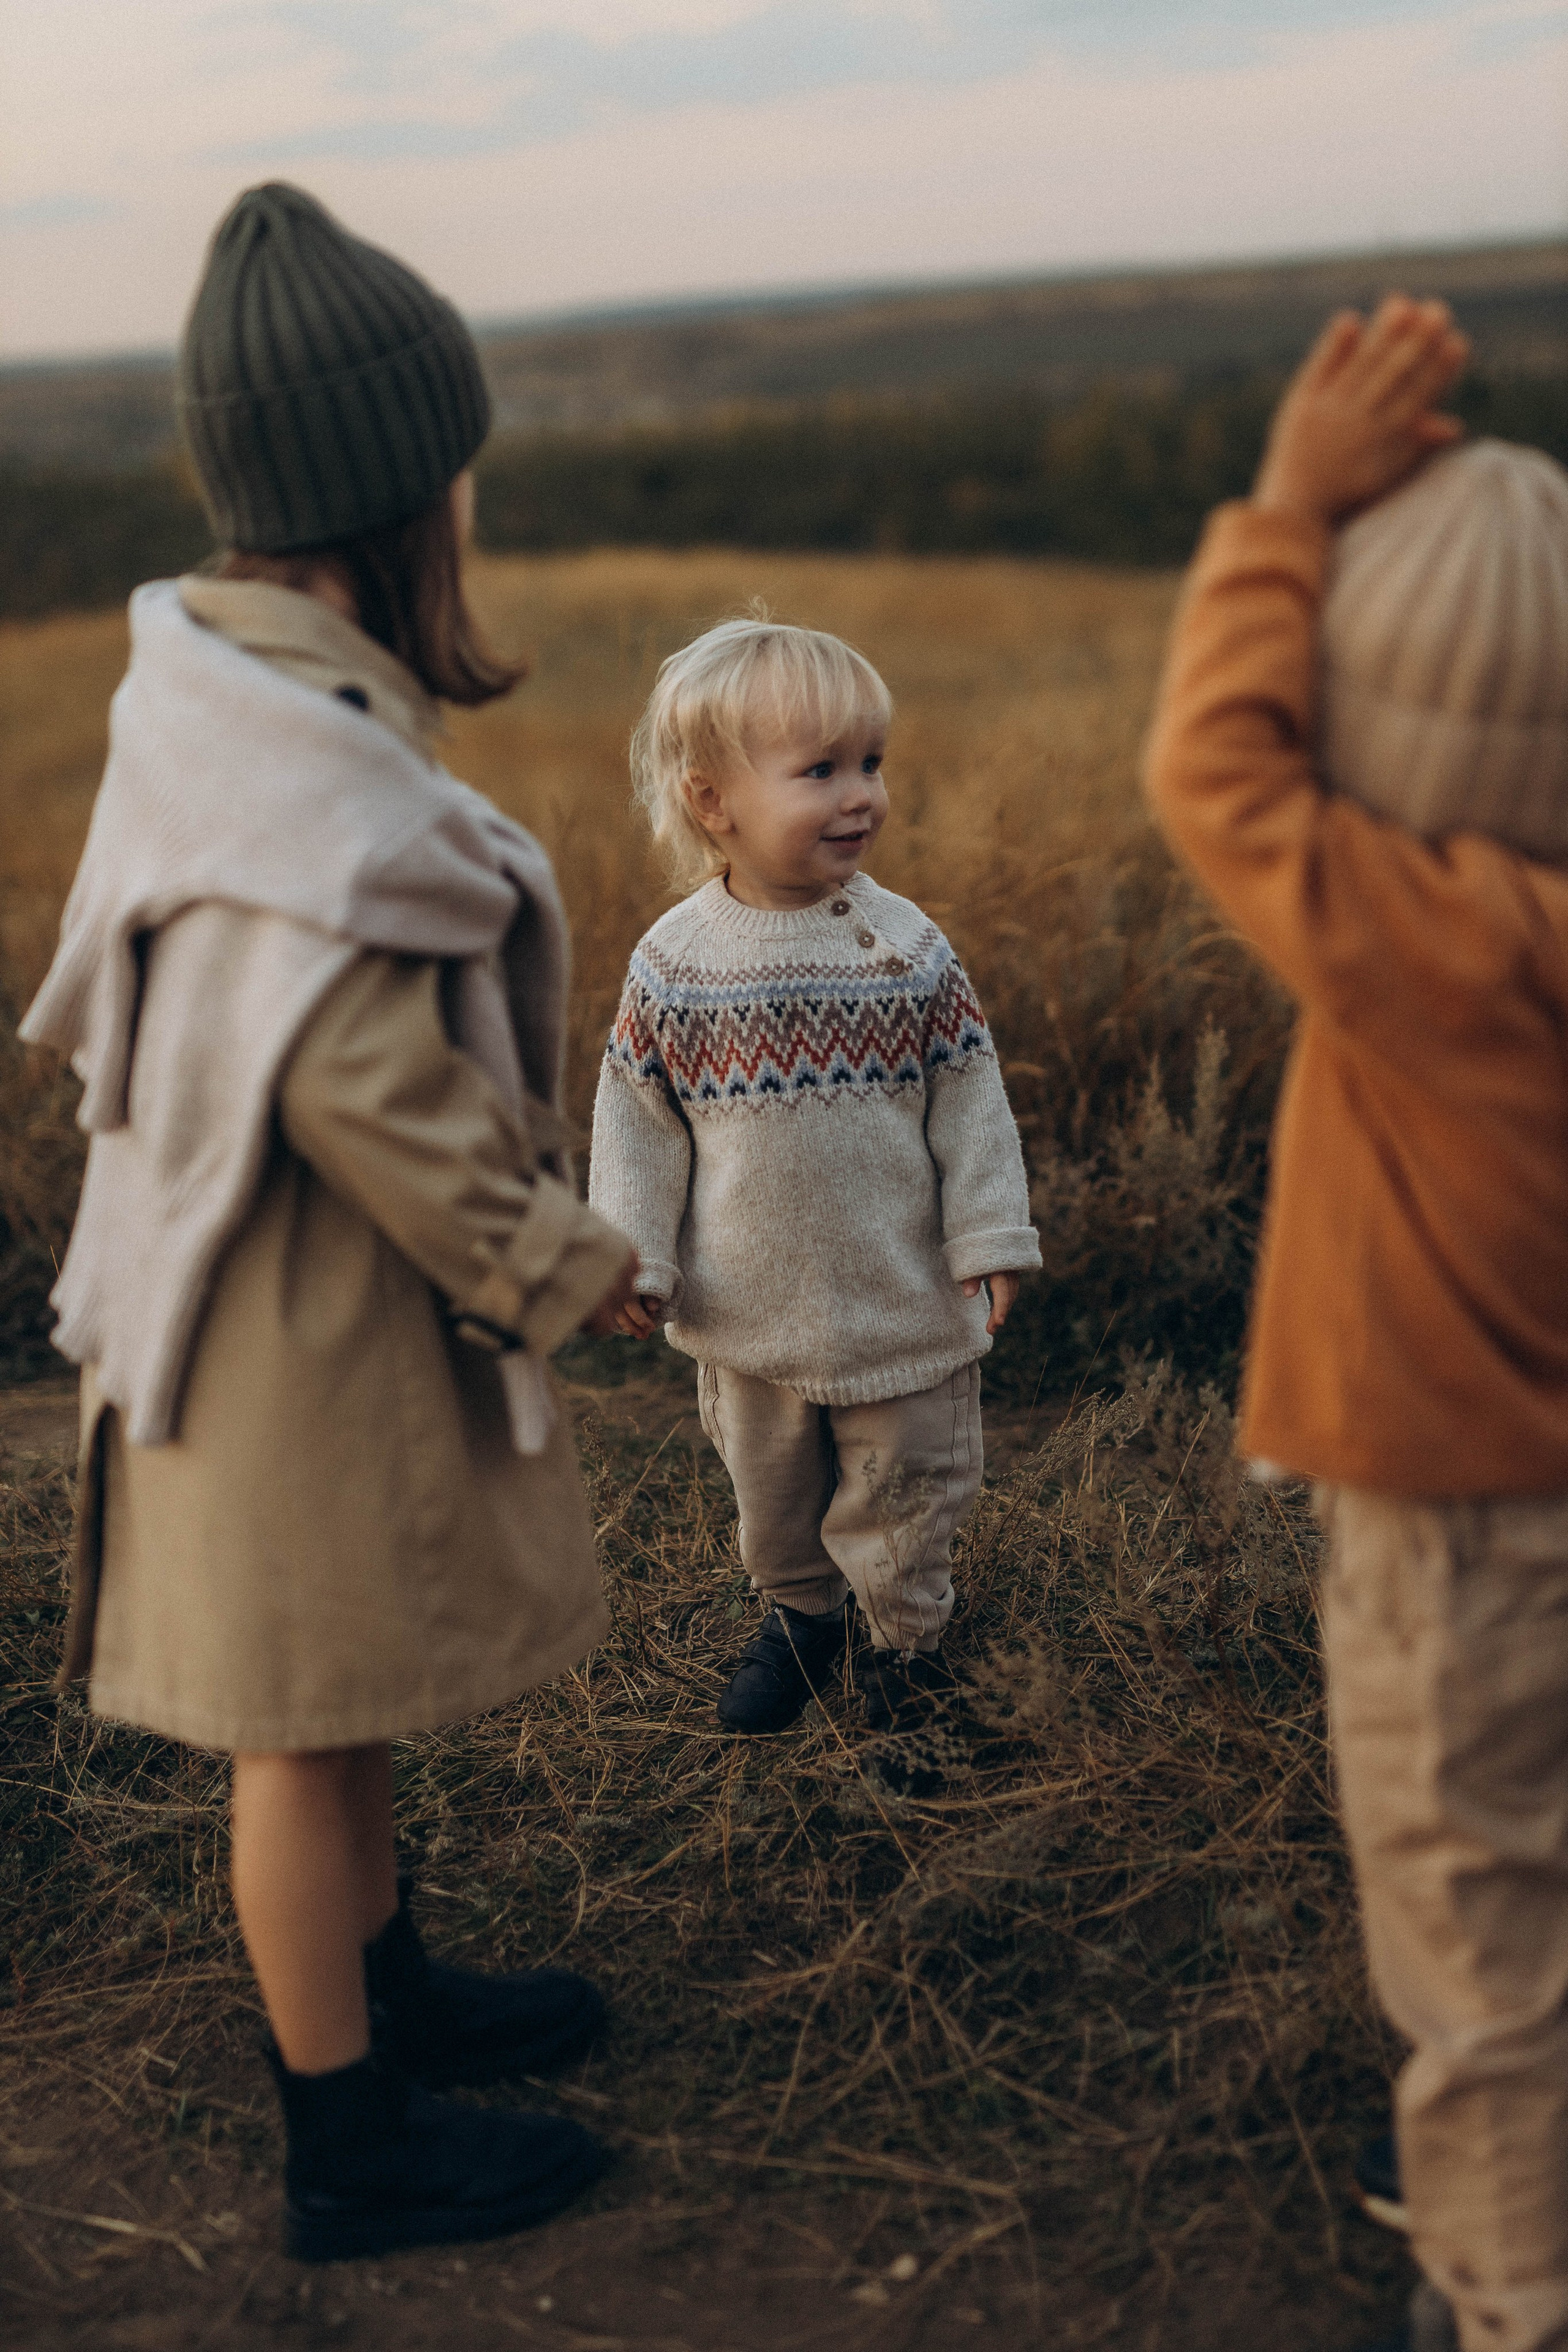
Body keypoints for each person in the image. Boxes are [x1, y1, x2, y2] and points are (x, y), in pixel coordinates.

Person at [21, 182, 641, 2264]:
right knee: (293, 1729)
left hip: (276, 1302)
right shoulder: (298, 757)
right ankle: (347, 2142)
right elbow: (359, 1077)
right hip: (270, 1325)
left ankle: (390, 1988)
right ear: (396, 491)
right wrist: (562, 1267)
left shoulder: (227, 692)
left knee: (339, 1680)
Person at [1144, 295, 1568, 2352]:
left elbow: (1208, 767)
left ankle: (1509, 2292)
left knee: (1480, 1950)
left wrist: (1287, 507)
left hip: (1458, 1546)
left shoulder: (1428, 944)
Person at [587, 618, 1040, 1734]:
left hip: (901, 1303)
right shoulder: (676, 966)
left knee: (905, 1495)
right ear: (712, 803)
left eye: (872, 764)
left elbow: (970, 1099)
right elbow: (639, 1124)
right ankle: (802, 1616)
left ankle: (904, 1652)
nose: (861, 796)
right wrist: (635, 1255)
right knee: (774, 1496)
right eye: (822, 770)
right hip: (750, 1313)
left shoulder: (905, 949)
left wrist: (988, 1238)